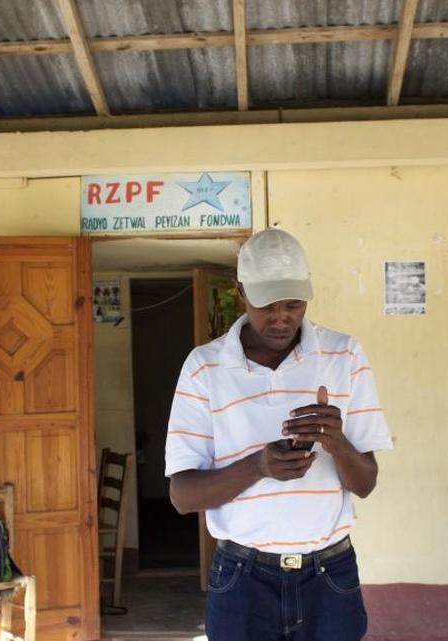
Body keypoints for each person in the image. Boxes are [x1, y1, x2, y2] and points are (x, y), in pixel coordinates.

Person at [165, 228, 393, 641]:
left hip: (329, 575)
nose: (282, 317)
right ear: (240, 292)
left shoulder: (345, 356)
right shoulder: (204, 368)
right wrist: (258, 466)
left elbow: (366, 484)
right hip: (241, 578)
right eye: (267, 304)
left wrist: (335, 440)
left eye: (294, 303)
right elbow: (183, 497)